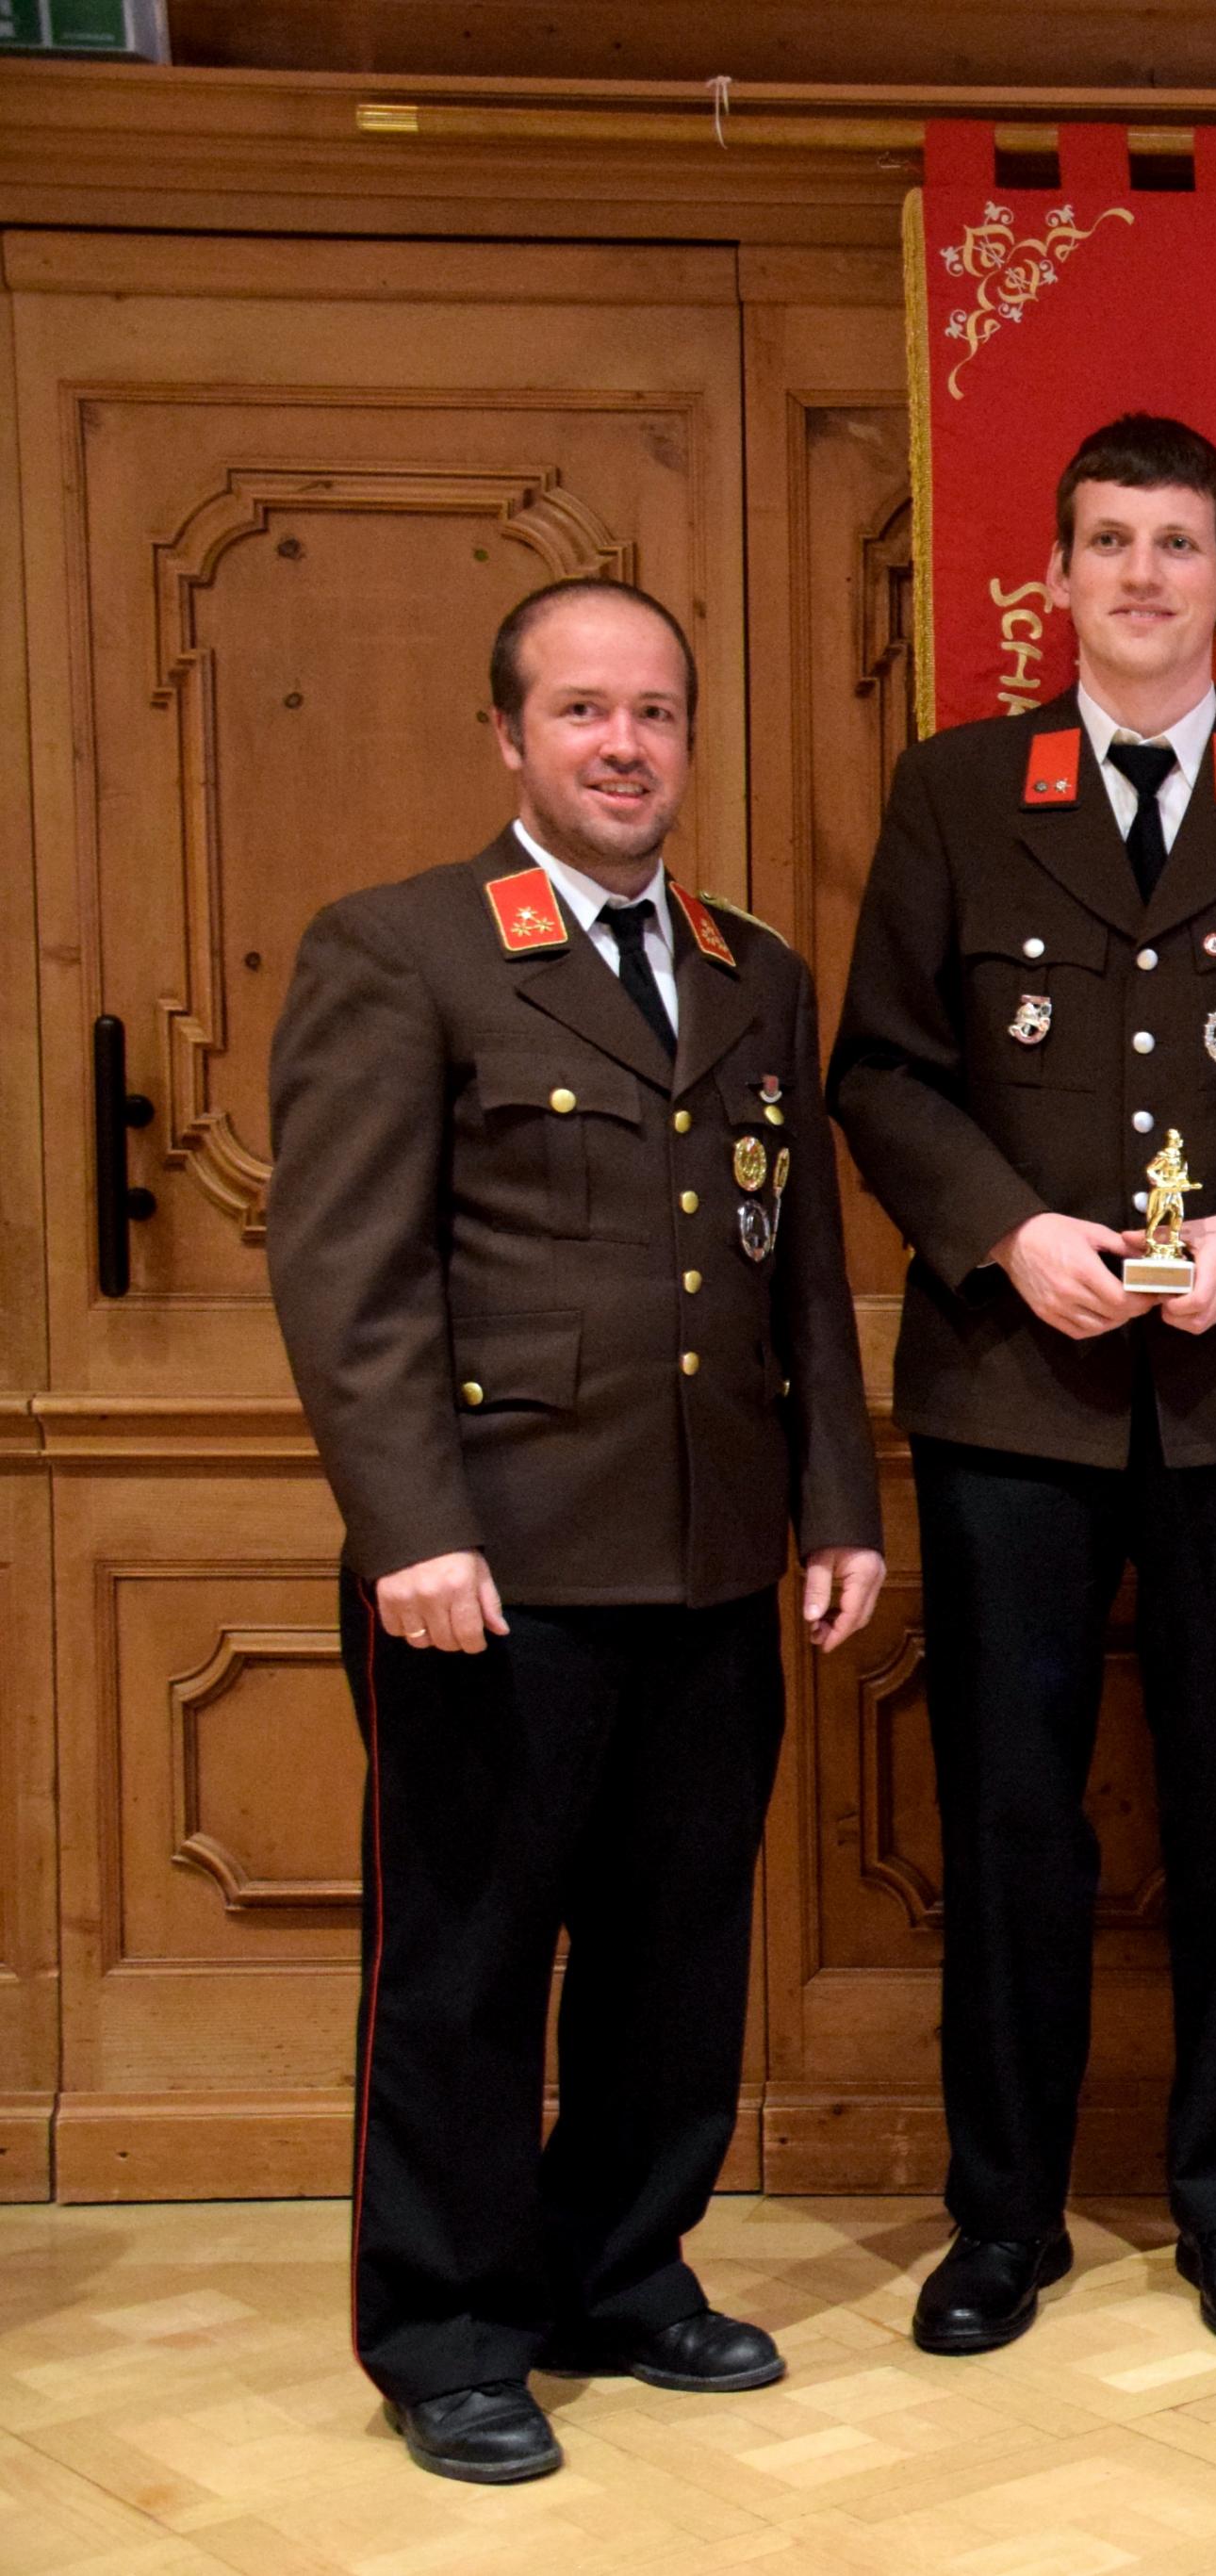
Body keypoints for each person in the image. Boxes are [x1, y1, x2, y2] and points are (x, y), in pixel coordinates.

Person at [268, 577, 883, 2484]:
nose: (625, 745)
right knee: (466, 1965)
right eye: (584, 711)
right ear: (509, 736)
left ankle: (620, 2268)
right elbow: (349, 1271)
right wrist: (409, 1527)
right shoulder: (403, 948)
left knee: (674, 1949)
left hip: (707, 1548)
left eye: (655, 712)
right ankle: (450, 2327)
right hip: (492, 1564)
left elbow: (795, 1265)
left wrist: (836, 1502)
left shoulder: (752, 967)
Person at [830, 413, 1216, 2356]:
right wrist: (1007, 1232)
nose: (1144, 576)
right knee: (1010, 1810)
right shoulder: (954, 789)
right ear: (1055, 578)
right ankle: (1000, 2214)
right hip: (1015, 1385)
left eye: (1177, 545)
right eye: (1108, 542)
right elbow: (883, 1069)